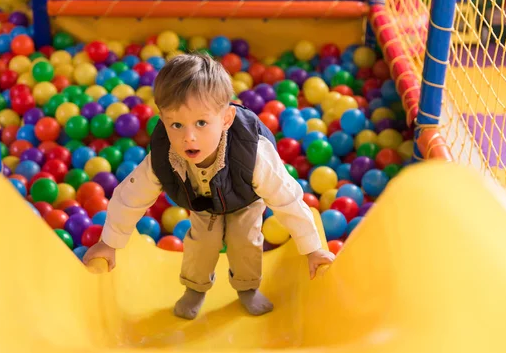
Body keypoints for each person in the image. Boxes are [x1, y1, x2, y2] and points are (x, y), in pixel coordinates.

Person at [83, 53, 335, 320]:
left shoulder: (253, 154)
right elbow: (130, 197)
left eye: (201, 123)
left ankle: (247, 289)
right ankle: (195, 289)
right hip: (203, 201)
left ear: (226, 119)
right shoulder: (165, 155)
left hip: (245, 199)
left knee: (245, 242)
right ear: (163, 119)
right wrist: (108, 243)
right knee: (201, 244)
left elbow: (288, 199)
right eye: (176, 124)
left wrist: (312, 248)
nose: (188, 137)